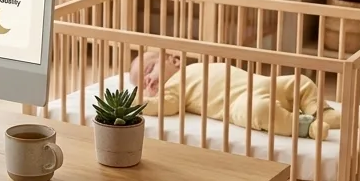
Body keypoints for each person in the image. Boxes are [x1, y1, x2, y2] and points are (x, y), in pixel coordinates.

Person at [130, 50, 341, 137]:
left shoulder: (194, 68)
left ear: (173, 60)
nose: (147, 81)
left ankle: (321, 111)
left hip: (260, 82)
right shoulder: (172, 90)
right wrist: (137, 102)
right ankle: (305, 126)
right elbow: (165, 106)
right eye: (143, 84)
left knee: (299, 81)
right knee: (259, 110)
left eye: (148, 71)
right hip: (240, 102)